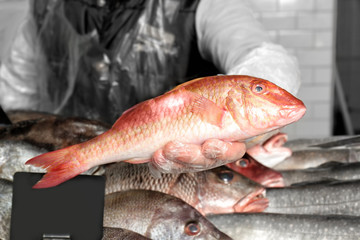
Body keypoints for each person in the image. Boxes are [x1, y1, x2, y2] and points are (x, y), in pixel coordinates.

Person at [0, 0, 300, 171]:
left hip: (173, 179)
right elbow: (17, 95)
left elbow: (260, 52)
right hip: (69, 164)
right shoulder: (47, 8)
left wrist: (254, 103)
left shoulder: (202, 5)